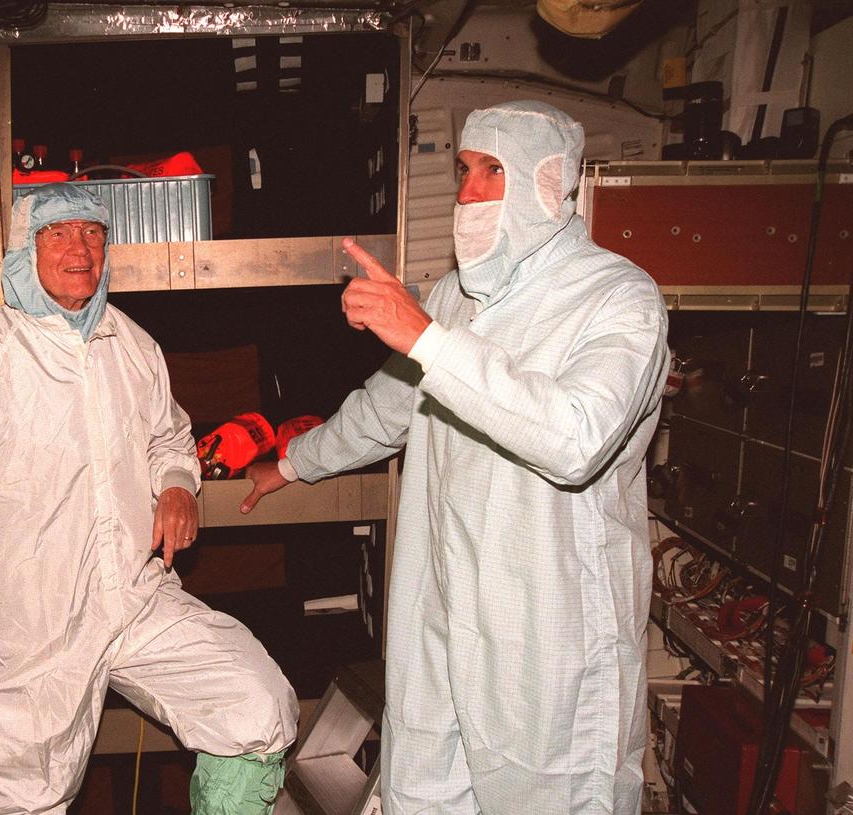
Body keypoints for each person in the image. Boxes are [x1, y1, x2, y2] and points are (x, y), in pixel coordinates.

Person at [241, 101, 669, 814]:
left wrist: (426, 339)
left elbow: (576, 437)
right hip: (442, 614)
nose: (468, 192)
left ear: (549, 184)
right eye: (465, 169)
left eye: (493, 171)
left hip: (548, 638)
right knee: (428, 792)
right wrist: (290, 463)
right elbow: (387, 410)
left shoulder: (618, 298)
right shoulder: (454, 297)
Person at [0, 184, 297, 814]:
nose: (79, 248)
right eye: (58, 234)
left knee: (252, 701)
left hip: (133, 595)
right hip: (28, 620)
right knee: (18, 793)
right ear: (23, 249)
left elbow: (168, 435)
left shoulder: (131, 344)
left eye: (92, 233)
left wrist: (176, 483)